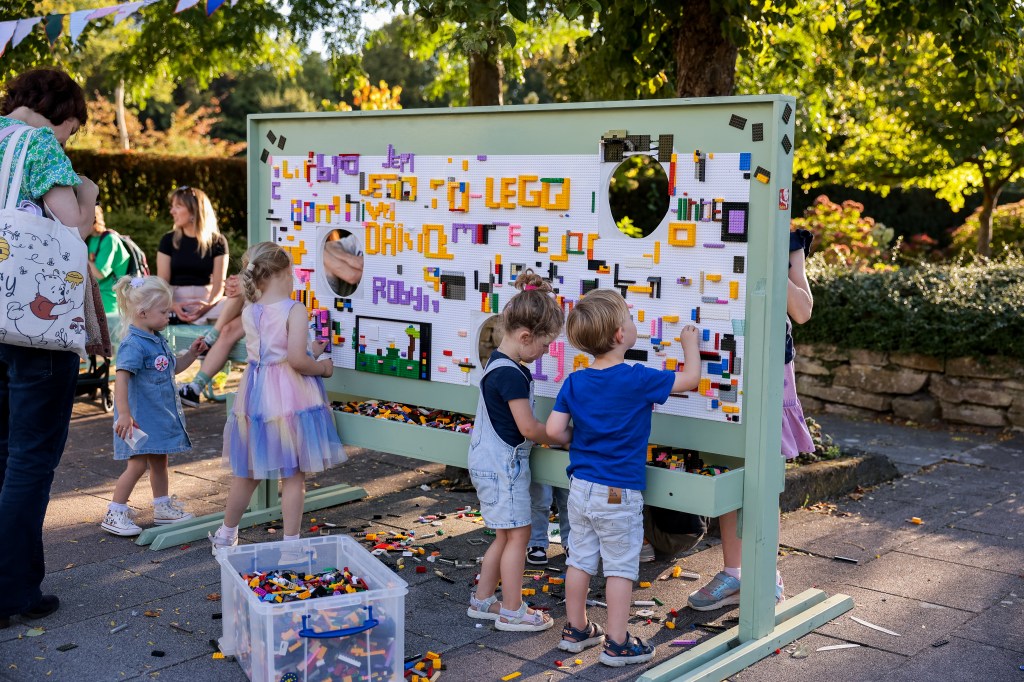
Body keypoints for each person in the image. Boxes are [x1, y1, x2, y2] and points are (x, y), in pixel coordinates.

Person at [546, 289, 701, 666]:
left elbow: (553, 431)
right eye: (630, 319)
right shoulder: (638, 378)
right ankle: (617, 643)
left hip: (580, 488)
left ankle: (576, 629)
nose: (634, 324)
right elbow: (691, 380)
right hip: (618, 492)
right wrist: (689, 345)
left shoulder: (575, 381)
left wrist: (581, 437)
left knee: (579, 559)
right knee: (619, 567)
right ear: (620, 334)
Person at [0, 68, 100, 629]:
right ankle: (11, 592)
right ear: (60, 111)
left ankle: (15, 583)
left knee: (2, 453)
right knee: (30, 459)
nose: (68, 140)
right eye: (72, 129)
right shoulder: (38, 145)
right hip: (33, 329)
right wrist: (89, 195)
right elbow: (73, 228)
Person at [687, 229, 815, 611]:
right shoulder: (715, 226)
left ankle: (765, 576)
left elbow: (802, 311)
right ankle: (735, 573)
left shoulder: (787, 240)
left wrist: (770, 260)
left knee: (763, 472)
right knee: (729, 464)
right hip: (719, 356)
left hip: (767, 362)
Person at [209, 242, 347, 553]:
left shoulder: (250, 309)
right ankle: (291, 546)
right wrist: (323, 367)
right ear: (284, 273)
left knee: (248, 472)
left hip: (256, 395)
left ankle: (225, 535)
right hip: (290, 397)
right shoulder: (294, 309)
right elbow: (296, 361)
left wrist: (311, 349)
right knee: (293, 474)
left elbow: (276, 349)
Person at [466, 271, 566, 632]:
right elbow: (527, 427)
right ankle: (511, 609)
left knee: (505, 535)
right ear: (525, 337)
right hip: (503, 468)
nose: (545, 352)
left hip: (491, 464)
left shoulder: (498, 363)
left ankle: (483, 600)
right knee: (518, 536)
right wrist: (560, 435)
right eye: (544, 345)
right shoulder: (511, 374)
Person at [101, 276, 208, 536]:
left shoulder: (156, 338)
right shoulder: (134, 344)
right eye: (163, 312)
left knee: (160, 460)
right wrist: (124, 414)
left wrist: (191, 355)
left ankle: (162, 507)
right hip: (139, 419)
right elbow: (121, 379)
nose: (168, 316)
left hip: (157, 416)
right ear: (143, 313)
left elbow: (172, 368)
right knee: (137, 465)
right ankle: (115, 512)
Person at [155, 186, 244, 406]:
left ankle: (211, 338)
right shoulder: (168, 240)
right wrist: (173, 306)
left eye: (178, 206)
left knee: (241, 295)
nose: (172, 211)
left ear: (194, 211)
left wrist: (208, 305)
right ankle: (210, 344)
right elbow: (163, 283)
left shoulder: (218, 241)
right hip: (177, 303)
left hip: (208, 303)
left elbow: (218, 286)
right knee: (229, 318)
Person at [86, 206, 130, 314]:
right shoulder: (91, 239)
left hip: (109, 303)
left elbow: (100, 274)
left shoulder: (109, 239)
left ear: (93, 220)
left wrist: (80, 256)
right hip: (95, 299)